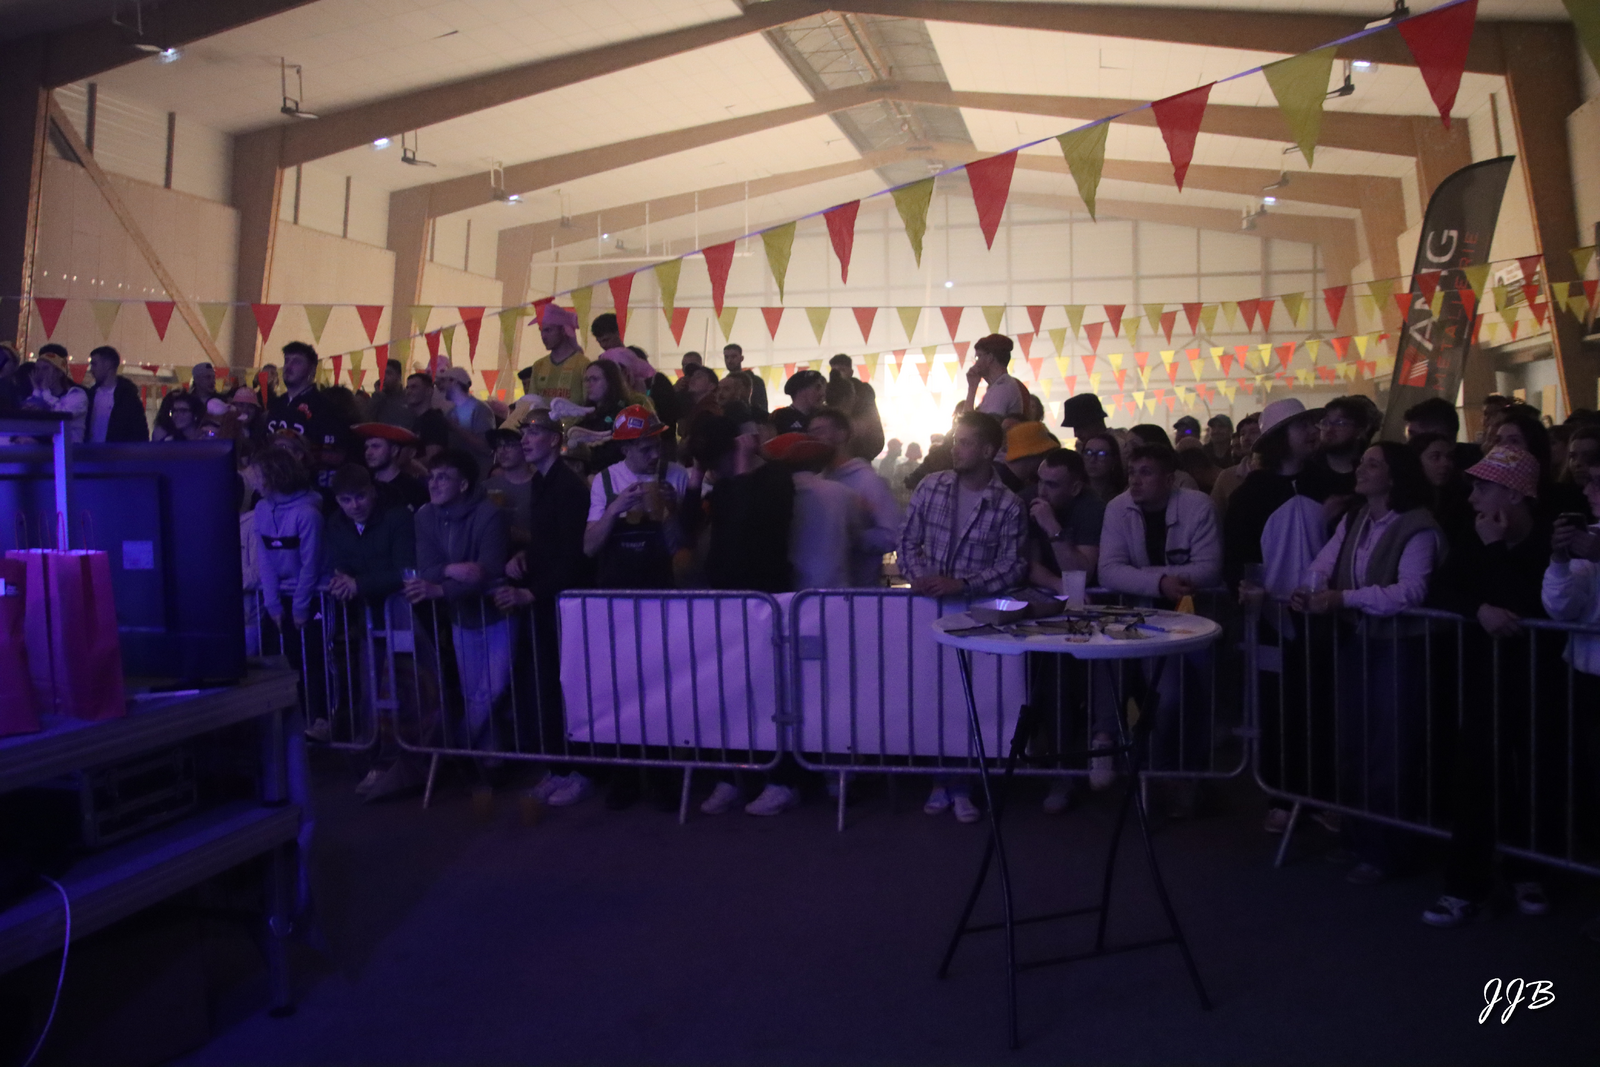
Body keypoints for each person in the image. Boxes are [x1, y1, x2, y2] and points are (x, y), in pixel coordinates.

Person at [1295, 442, 1443, 886]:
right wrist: (1309, 588)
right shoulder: (1356, 519)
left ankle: (1387, 850)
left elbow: (1410, 592)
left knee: (1390, 750)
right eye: (1362, 462)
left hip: (1400, 646)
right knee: (1354, 742)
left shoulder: (1417, 526)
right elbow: (1323, 564)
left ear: (1394, 476)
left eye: (1372, 464)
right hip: (1359, 641)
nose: (1361, 469)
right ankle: (1359, 838)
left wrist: (1342, 598)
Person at [1424, 446, 1557, 926]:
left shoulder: (1546, 542)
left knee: (1537, 776)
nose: (1473, 496)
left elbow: (1528, 606)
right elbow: (1441, 587)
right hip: (1485, 675)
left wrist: (1495, 551)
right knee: (1476, 776)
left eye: (1484, 487)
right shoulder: (1474, 533)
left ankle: (1529, 871)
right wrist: (1477, 609)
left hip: (1540, 677)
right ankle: (1465, 885)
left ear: (1515, 494)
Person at [898, 411, 1028, 824]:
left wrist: (963, 584)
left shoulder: (1008, 504)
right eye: (957, 440)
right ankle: (943, 779)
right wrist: (921, 578)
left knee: (973, 699)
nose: (956, 447)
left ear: (988, 450)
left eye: (966, 442)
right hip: (932, 606)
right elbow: (907, 540)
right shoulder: (931, 485)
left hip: (977, 613)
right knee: (932, 695)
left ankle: (963, 781)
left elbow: (1013, 565)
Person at [1098, 443, 1223, 811]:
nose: (1135, 480)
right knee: (1158, 695)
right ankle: (1149, 769)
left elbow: (1209, 568)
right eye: (1132, 472)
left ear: (1169, 479)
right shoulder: (1117, 507)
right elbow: (1108, 570)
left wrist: (1143, 577)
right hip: (1135, 619)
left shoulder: (1198, 506)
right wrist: (1161, 582)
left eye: (1146, 472)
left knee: (1183, 699)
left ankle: (1176, 776)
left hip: (1191, 620)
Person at [492, 412, 599, 809]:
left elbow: (573, 555)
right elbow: (547, 543)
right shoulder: (542, 481)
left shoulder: (568, 487)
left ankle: (582, 770)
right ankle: (559, 766)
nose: (525, 438)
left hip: (563, 600)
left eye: (534, 432)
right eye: (524, 432)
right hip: (548, 596)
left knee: (570, 687)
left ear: (555, 439)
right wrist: (526, 555)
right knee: (549, 687)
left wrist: (532, 592)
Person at [324, 463, 421, 797]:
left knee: (402, 691)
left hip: (405, 618)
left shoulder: (397, 517)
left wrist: (357, 584)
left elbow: (405, 568)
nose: (355, 505)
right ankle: (379, 759)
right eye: (346, 500)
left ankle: (398, 761)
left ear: (373, 491)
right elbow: (341, 564)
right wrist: (341, 580)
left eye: (360, 496)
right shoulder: (336, 525)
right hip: (367, 620)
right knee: (372, 693)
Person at [406, 449, 511, 755]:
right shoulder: (424, 516)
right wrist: (452, 569)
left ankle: (454, 748)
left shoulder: (489, 514)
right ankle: (488, 760)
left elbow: (488, 571)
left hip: (498, 612)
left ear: (463, 485)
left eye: (443, 478)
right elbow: (425, 568)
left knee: (493, 688)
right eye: (431, 477)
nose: (433, 483)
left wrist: (440, 590)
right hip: (460, 615)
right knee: (472, 691)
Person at [1025, 447, 1109, 811]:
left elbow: (1084, 569)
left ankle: (1092, 755)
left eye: (1052, 485)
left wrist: (1053, 529)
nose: (1041, 491)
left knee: (1087, 685)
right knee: (1052, 685)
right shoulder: (1029, 501)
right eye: (1040, 481)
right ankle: (1060, 773)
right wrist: (1064, 586)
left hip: (1092, 615)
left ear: (1075, 488)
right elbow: (1031, 567)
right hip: (1047, 610)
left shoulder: (1091, 507)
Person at [251, 447, 329, 728]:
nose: (255, 481)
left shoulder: (308, 513)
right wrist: (272, 602)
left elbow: (311, 563)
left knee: (313, 660)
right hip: (280, 596)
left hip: (312, 595)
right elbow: (265, 559)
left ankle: (319, 719)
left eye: (259, 474)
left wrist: (300, 606)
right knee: (277, 658)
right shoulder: (261, 509)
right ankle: (284, 723)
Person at [583, 405, 689, 588]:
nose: (655, 455)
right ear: (625, 450)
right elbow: (589, 548)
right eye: (646, 449)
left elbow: (686, 544)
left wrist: (674, 508)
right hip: (617, 588)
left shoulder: (677, 474)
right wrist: (614, 509)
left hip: (664, 586)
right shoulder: (606, 480)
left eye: (657, 446)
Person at [810, 408, 901, 587]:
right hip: (820, 592)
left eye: (820, 431)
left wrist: (852, 536)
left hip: (859, 592)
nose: (813, 438)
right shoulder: (818, 479)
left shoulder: (868, 481)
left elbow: (894, 534)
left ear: (842, 434)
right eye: (811, 432)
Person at [355, 422, 429, 513]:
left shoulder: (414, 489)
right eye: (367, 447)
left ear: (394, 450)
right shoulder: (364, 485)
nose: (368, 452)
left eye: (375, 446)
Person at [523, 304, 589, 403]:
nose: (543, 336)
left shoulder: (583, 364)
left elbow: (588, 403)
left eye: (548, 330)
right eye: (541, 331)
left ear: (563, 330)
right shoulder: (539, 365)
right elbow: (532, 402)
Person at [1308, 396, 1370, 500]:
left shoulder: (1370, 470)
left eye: (1340, 423)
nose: (1329, 429)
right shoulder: (1308, 470)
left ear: (1359, 431)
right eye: (1325, 423)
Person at [826, 353, 885, 460]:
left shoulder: (863, 390)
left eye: (842, 370)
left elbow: (871, 421)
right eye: (834, 370)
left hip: (862, 446)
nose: (837, 374)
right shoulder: (829, 391)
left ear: (851, 372)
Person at [83, 346, 148, 443]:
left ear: (108, 365)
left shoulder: (128, 398)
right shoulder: (89, 395)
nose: (91, 369)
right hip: (93, 451)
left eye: (94, 364)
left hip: (117, 452)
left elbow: (139, 433)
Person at [483, 428, 535, 546]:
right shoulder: (485, 487)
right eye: (498, 446)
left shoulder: (541, 488)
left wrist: (522, 536)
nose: (501, 451)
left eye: (509, 445)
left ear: (525, 447)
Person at [31, 347, 88, 443]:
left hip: (69, 449)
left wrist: (45, 392)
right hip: (44, 449)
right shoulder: (40, 394)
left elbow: (61, 416)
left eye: (45, 368)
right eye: (37, 369)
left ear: (59, 373)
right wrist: (37, 391)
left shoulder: (77, 395)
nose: (40, 373)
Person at [1210, 413, 1260, 517]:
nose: (1246, 438)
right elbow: (1215, 514)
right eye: (1242, 434)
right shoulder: (1227, 477)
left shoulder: (1285, 472)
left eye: (1254, 432)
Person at [965, 333, 1024, 420]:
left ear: (990, 357)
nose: (976, 363)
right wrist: (972, 388)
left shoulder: (1003, 388)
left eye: (978, 357)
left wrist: (972, 389)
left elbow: (983, 426)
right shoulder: (997, 386)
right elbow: (967, 423)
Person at [402, 372, 451, 459]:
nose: (408, 392)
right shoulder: (415, 420)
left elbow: (433, 458)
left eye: (414, 387)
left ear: (429, 391)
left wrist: (406, 464)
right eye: (407, 388)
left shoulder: (434, 421)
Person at [1003, 421, 1057, 490]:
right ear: (1033, 454)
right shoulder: (1007, 486)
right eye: (1046, 454)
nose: (1045, 460)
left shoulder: (998, 476)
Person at [771, 368, 826, 436]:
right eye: (817, 388)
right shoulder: (781, 418)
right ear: (801, 391)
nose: (822, 393)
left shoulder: (824, 416)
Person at [1079, 430, 1126, 503]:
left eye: (1101, 454)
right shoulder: (1074, 493)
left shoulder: (1123, 496)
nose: (1092, 460)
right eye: (1088, 453)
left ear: (1114, 459)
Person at [722, 343, 768, 417]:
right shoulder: (724, 382)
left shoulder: (756, 381)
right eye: (726, 357)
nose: (729, 360)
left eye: (733, 357)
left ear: (741, 358)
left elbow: (762, 405)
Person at [366, 358, 414, 429]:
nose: (384, 377)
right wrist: (377, 395)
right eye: (382, 373)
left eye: (388, 373)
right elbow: (366, 419)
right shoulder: (378, 398)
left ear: (399, 376)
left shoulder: (408, 397)